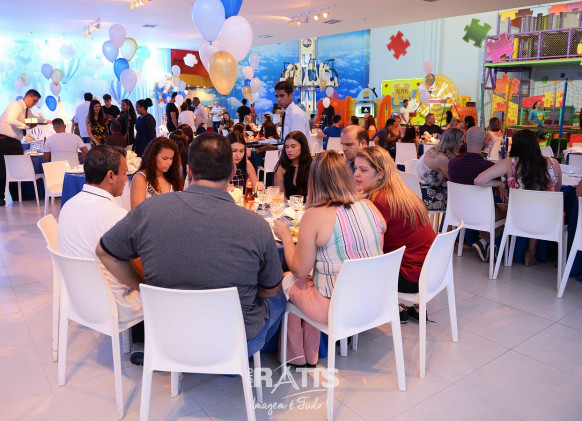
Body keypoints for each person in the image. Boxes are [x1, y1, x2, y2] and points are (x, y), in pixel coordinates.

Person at [96, 133, 285, 357]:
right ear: (233, 172)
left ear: (189, 171)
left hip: (168, 335)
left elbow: (104, 252)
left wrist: (143, 287)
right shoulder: (258, 225)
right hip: (231, 342)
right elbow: (270, 288)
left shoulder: (149, 210)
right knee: (279, 297)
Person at [272, 151, 386, 365]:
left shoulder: (316, 214)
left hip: (337, 308)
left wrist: (286, 237)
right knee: (312, 281)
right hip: (375, 301)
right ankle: (310, 353)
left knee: (287, 278)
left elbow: (299, 270)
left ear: (314, 179)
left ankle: (296, 356)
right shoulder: (370, 207)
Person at [58, 145, 141, 322]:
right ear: (110, 176)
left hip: (78, 299)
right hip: (113, 305)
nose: (126, 179)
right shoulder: (117, 216)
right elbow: (139, 268)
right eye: (124, 173)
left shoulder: (69, 205)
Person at [354, 146, 435, 321]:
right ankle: (400, 306)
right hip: (432, 269)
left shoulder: (379, 201)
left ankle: (359, 318)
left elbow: (368, 248)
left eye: (363, 170)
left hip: (410, 276)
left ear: (380, 174)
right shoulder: (403, 192)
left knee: (349, 268)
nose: (356, 174)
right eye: (356, 168)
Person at [475, 129, 561, 266]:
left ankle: (488, 241)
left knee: (496, 208)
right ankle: (531, 252)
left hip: (517, 218)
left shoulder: (511, 163)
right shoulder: (554, 163)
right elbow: (557, 191)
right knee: (537, 210)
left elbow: (479, 180)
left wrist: (500, 183)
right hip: (548, 220)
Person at [448, 127, 499, 262]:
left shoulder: (453, 163)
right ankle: (485, 242)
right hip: (481, 214)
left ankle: (484, 243)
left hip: (457, 212)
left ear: (465, 140)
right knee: (504, 211)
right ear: (484, 142)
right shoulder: (489, 167)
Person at [0, 89, 43, 206]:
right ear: (28, 97)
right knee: (3, 169)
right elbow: (11, 120)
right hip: (5, 141)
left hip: (14, 142)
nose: (35, 104)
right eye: (34, 101)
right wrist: (25, 126)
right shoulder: (16, 105)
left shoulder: (26, 110)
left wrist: (46, 121)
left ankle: (17, 195)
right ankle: (0, 197)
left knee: (16, 169)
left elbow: (34, 118)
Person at [415, 128, 464, 210]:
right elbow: (454, 180)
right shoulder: (442, 158)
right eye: (461, 142)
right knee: (462, 198)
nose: (462, 144)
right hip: (429, 199)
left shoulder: (432, 150)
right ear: (454, 143)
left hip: (419, 193)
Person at [130, 136, 183, 208]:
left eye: (171, 158)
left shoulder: (172, 176)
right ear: (153, 156)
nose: (169, 163)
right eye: (165, 158)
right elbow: (137, 212)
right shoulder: (140, 178)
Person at [274, 131, 312, 198]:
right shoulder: (281, 167)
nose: (289, 150)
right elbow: (281, 196)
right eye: (287, 147)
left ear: (303, 147)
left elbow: (318, 194)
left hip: (310, 203)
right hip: (287, 204)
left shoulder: (312, 165)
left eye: (293, 147)